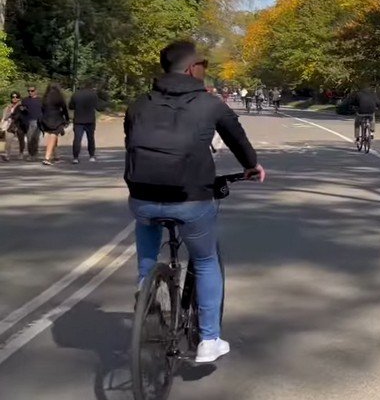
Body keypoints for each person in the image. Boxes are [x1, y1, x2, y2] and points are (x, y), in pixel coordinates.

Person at [125, 40, 265, 364]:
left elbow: (132, 144)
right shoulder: (210, 104)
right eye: (203, 63)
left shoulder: (137, 104)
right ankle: (209, 340)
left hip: (142, 197)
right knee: (204, 260)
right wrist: (251, 166)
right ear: (192, 69)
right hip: (190, 200)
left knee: (146, 235)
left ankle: (146, 294)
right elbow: (238, 141)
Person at [69, 82, 105, 164]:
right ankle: (91, 155)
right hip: (90, 120)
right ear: (91, 87)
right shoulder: (93, 95)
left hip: (78, 120)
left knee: (77, 139)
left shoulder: (76, 95)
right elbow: (98, 107)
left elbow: (71, 106)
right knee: (91, 138)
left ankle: (75, 157)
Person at [38, 84, 70, 166]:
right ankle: (47, 157)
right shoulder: (59, 98)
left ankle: (56, 155)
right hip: (56, 119)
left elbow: (42, 109)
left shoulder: (44, 98)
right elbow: (64, 108)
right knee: (53, 137)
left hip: (46, 119)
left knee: (52, 136)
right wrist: (67, 118)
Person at [2, 91, 27, 161]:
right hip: (11, 125)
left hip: (20, 125)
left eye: (17, 97)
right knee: (8, 140)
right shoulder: (8, 107)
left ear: (19, 98)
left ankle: (21, 153)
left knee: (21, 140)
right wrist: (9, 112)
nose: (15, 98)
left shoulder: (22, 106)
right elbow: (5, 117)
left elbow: (26, 114)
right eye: (13, 97)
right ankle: (7, 155)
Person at [19, 86, 42, 161]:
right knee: (29, 138)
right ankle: (30, 154)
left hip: (38, 121)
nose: (30, 92)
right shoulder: (25, 100)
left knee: (35, 138)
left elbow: (44, 110)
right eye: (28, 91)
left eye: (32, 91)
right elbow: (21, 111)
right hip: (28, 122)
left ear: (36, 91)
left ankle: (34, 154)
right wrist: (22, 109)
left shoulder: (41, 100)